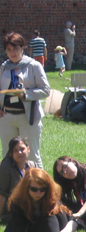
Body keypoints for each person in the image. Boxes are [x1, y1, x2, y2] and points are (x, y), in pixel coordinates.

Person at [0, 168, 86, 232]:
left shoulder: (49, 198)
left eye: (43, 189)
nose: (39, 193)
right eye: (34, 189)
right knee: (48, 216)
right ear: (26, 188)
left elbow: (73, 221)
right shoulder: (18, 203)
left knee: (59, 212)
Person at [0, 32, 50, 169]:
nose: (12, 53)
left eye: (15, 49)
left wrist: (26, 93)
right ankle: (10, 182)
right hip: (7, 117)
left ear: (23, 48)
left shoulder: (33, 65)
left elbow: (46, 90)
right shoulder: (4, 67)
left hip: (28, 117)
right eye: (9, 50)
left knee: (32, 155)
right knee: (8, 155)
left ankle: (38, 182)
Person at [53, 156, 86, 227]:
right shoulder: (73, 180)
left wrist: (80, 213)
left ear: (73, 161)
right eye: (62, 172)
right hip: (84, 208)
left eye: (65, 166)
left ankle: (79, 222)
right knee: (60, 200)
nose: (65, 172)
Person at [0, 136, 35, 222]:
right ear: (11, 153)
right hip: (11, 212)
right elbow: (2, 194)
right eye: (15, 150)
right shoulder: (6, 167)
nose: (19, 152)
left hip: (29, 209)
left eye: (22, 149)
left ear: (28, 149)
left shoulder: (32, 165)